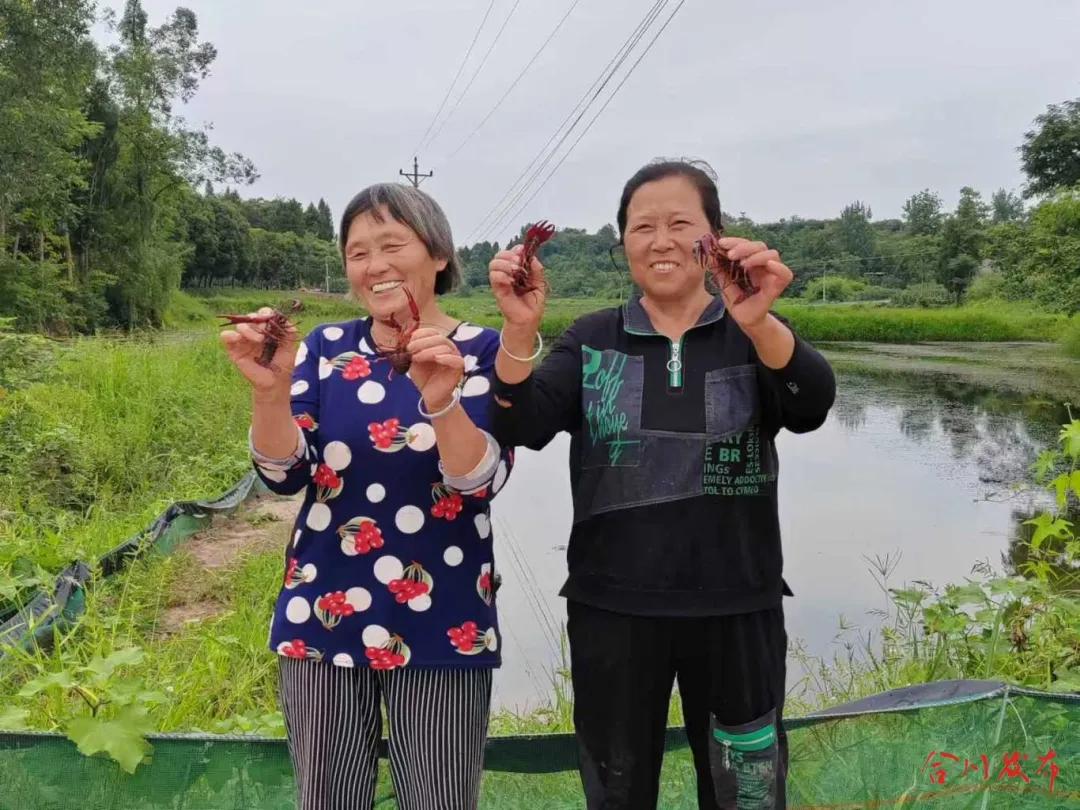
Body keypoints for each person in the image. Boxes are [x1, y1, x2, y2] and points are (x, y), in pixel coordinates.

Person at [486, 158, 836, 810]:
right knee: (617, 791)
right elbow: (523, 422)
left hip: (739, 606)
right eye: (642, 226)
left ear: (715, 237)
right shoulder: (592, 338)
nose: (661, 239)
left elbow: (811, 404)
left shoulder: (751, 335)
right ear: (623, 243)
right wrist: (519, 330)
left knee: (747, 794)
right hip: (612, 611)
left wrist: (761, 321)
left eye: (681, 223)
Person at [221, 182, 514, 810]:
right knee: (328, 800)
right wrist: (269, 393)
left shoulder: (483, 351)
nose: (374, 265)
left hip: (445, 617)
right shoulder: (326, 349)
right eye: (358, 252)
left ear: (437, 254)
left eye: (392, 244)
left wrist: (442, 399)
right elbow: (285, 473)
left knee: (439, 800)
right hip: (323, 609)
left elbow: (481, 480)